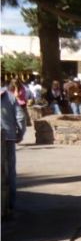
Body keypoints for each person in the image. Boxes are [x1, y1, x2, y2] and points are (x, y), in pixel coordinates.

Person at [1, 83, 26, 218]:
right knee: (9, 171)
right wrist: (20, 134)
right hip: (8, 138)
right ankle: (10, 205)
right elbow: (20, 117)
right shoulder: (10, 97)